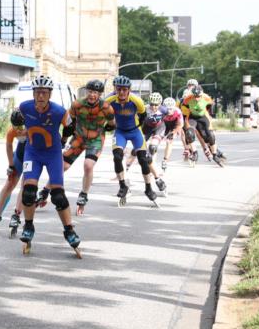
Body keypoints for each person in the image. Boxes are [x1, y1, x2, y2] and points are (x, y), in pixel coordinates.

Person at [17, 75, 81, 255]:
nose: (40, 96)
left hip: (53, 154)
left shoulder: (59, 111)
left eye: (44, 93)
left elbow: (70, 127)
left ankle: (69, 230)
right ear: (33, 93)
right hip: (32, 153)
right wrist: (17, 126)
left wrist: (64, 140)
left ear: (50, 94)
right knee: (28, 192)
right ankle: (28, 226)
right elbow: (18, 127)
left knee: (58, 196)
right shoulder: (24, 107)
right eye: (37, 92)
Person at [54, 78, 115, 213]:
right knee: (62, 166)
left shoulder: (106, 108)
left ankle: (83, 194)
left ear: (100, 94)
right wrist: (63, 140)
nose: (92, 95)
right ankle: (46, 190)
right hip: (79, 138)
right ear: (87, 92)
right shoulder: (77, 104)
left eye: (95, 93)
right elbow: (69, 124)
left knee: (88, 165)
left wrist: (104, 129)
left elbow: (112, 124)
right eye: (90, 91)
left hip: (95, 140)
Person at [104, 75, 158, 206]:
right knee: (117, 157)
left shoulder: (136, 100)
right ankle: (123, 186)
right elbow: (103, 115)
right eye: (119, 89)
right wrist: (108, 124)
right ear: (115, 89)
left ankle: (148, 188)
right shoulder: (109, 100)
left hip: (135, 131)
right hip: (120, 132)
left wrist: (143, 132)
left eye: (124, 89)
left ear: (129, 90)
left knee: (143, 159)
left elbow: (143, 116)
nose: (121, 92)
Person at [180, 84, 225, 165]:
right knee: (189, 133)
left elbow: (209, 106)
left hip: (203, 117)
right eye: (195, 96)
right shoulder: (188, 99)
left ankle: (215, 154)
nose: (197, 98)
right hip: (192, 117)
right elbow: (184, 107)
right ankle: (195, 153)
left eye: (199, 96)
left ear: (202, 94)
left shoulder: (206, 98)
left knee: (210, 136)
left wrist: (205, 112)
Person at [159, 96, 185, 171]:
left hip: (174, 125)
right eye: (167, 109)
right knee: (157, 139)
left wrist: (174, 132)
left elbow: (180, 125)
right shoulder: (160, 111)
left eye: (171, 109)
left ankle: (165, 160)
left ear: (174, 107)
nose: (169, 111)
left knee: (169, 141)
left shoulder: (178, 111)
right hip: (164, 125)